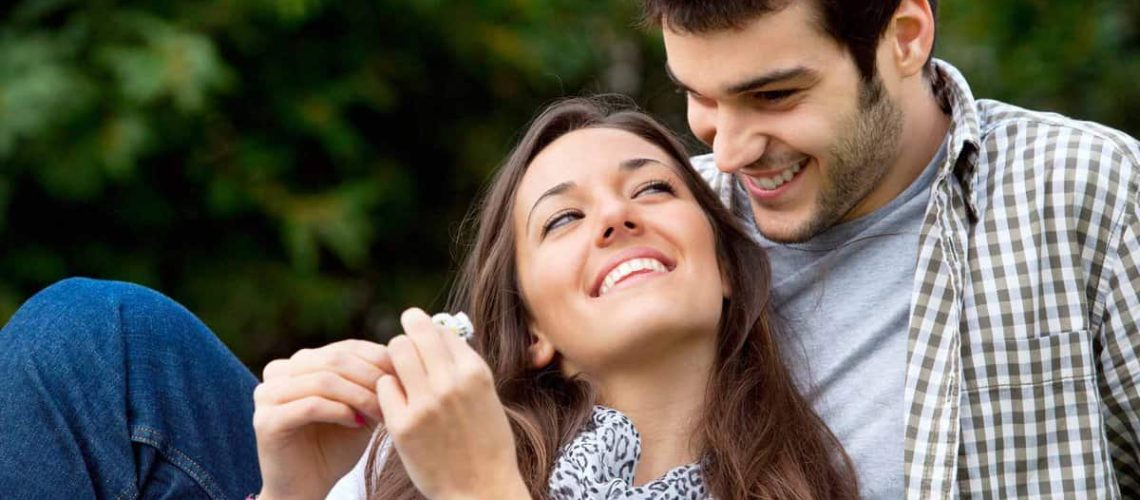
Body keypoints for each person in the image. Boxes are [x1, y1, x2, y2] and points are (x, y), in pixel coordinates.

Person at [0, 98, 859, 499]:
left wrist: (480, 489)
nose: (616, 218)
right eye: (563, 219)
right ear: (530, 339)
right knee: (89, 336)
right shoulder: (427, 452)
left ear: (725, 267)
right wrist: (293, 494)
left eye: (655, 192)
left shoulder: (806, 478)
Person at [641, 0, 1140, 497]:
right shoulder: (661, 235)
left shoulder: (1089, 191)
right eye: (697, 95)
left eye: (773, 95)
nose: (728, 153)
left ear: (905, 37)